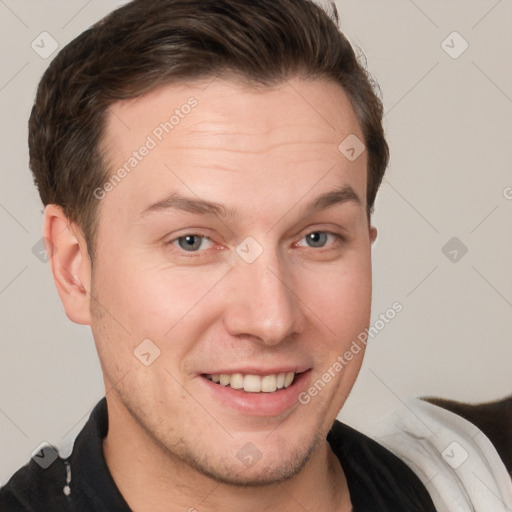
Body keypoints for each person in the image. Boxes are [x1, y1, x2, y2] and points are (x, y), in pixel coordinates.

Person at [0, 0, 509, 511]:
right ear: (73, 268)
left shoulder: (482, 476)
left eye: (316, 237)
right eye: (192, 241)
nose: (272, 319)